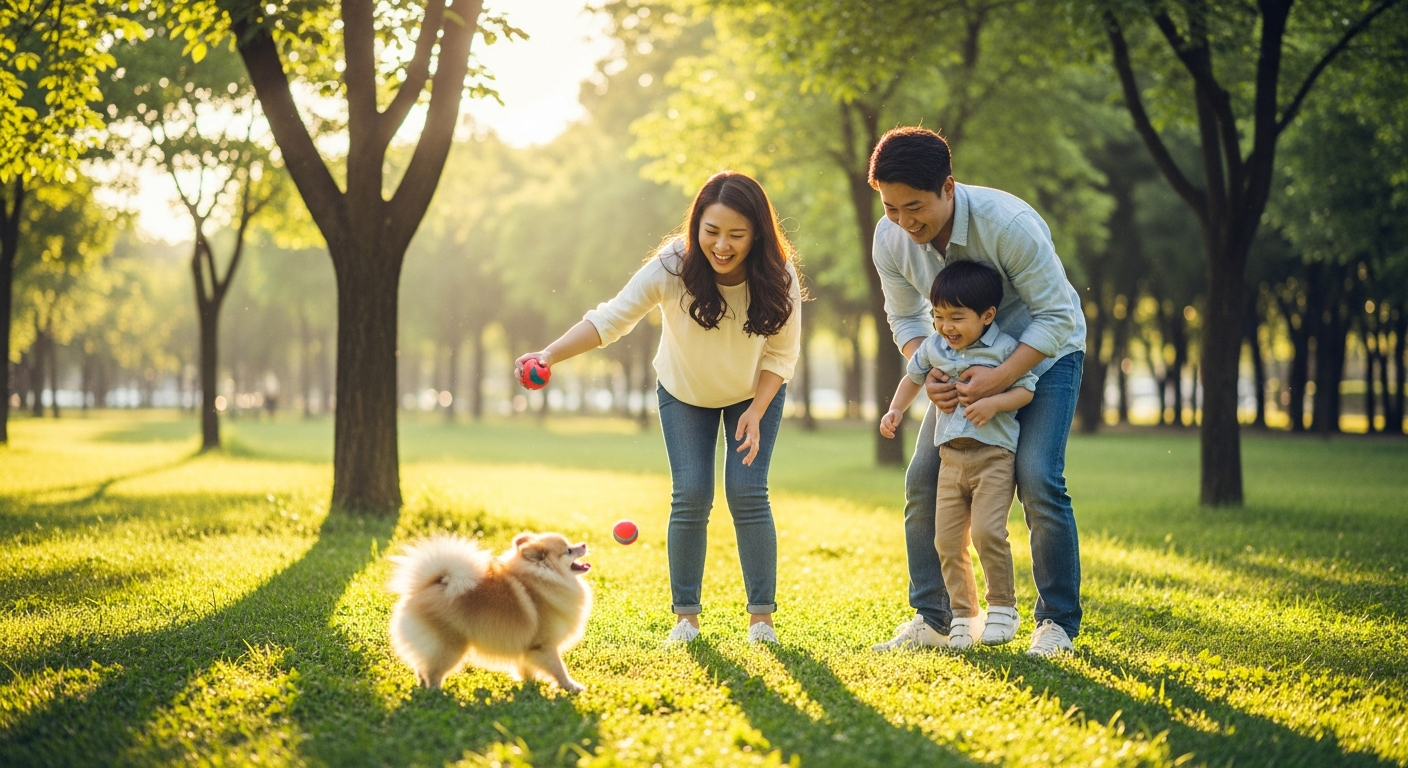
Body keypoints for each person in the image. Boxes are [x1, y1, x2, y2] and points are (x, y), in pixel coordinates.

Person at [514, 171, 802, 645]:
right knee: (690, 494)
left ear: (758, 233)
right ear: (696, 228)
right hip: (684, 392)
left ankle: (761, 622)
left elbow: (781, 354)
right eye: (712, 232)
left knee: (747, 492)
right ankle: (686, 619)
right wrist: (548, 355)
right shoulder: (673, 267)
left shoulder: (778, 275)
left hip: (755, 394)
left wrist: (757, 408)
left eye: (736, 234)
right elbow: (612, 318)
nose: (722, 246)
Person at [866, 126, 1086, 657]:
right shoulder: (891, 237)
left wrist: (1003, 375)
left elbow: (1055, 316)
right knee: (923, 477)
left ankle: (1056, 623)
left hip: (1046, 353)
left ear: (948, 187)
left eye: (913, 206)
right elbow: (905, 318)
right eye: (891, 207)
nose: (903, 221)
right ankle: (936, 618)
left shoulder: (1006, 225)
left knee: (1037, 476)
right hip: (959, 367)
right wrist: (936, 374)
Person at [879, 261, 1037, 649]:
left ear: (987, 316)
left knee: (986, 532)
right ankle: (964, 616)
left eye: (956, 317)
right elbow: (912, 377)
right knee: (947, 541)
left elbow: (1027, 389)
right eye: (938, 316)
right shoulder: (935, 347)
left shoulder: (1004, 349)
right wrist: (896, 409)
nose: (946, 326)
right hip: (950, 459)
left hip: (993, 458)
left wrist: (995, 403)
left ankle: (1003, 607)